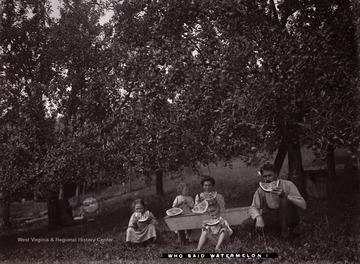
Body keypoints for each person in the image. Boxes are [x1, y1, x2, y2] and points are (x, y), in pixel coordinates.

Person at [240, 163, 307, 238]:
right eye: (265, 176)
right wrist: (258, 217)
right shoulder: (260, 190)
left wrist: (284, 195)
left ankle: (285, 234)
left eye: (270, 175)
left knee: (285, 202)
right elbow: (253, 207)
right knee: (246, 224)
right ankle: (273, 232)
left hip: (289, 217)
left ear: (276, 174)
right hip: (272, 217)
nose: (267, 179)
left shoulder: (288, 185)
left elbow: (303, 206)